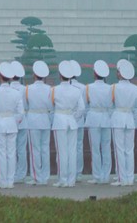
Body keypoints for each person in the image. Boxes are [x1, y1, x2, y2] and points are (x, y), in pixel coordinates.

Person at [110, 59, 137, 187]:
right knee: (129, 150)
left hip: (118, 118)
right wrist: (132, 117)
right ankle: (130, 178)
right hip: (129, 119)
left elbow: (109, 104)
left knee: (119, 150)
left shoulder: (114, 87)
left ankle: (121, 178)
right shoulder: (135, 88)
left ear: (120, 74)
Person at [51, 60, 85, 188]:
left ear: (60, 75)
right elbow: (81, 108)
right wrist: (73, 118)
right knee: (72, 151)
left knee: (62, 152)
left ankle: (63, 179)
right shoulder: (77, 90)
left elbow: (51, 105)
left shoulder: (55, 90)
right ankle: (71, 180)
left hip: (59, 120)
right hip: (71, 121)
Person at [0, 62, 24, 189]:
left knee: (1, 153)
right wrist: (12, 121)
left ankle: (1, 181)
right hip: (11, 123)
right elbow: (20, 113)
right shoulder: (16, 93)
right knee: (11, 153)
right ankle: (10, 181)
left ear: (0, 76)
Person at [25, 60, 53, 185]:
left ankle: (36, 176)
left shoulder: (28, 89)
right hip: (45, 119)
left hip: (33, 119)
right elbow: (51, 106)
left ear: (34, 75)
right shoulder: (50, 89)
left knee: (35, 149)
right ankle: (45, 177)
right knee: (45, 149)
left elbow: (26, 105)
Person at [85, 60, 112, 185]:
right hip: (106, 118)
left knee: (95, 149)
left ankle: (97, 176)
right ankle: (106, 176)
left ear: (95, 73)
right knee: (106, 148)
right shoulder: (110, 88)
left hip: (94, 118)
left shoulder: (88, 87)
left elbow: (84, 105)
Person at [10, 60, 29, 183]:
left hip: (10, 121)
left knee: (11, 149)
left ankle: (11, 173)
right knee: (21, 148)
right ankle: (21, 174)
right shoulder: (25, 89)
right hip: (23, 120)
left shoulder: (8, 89)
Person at [70, 60, 87, 179]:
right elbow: (84, 106)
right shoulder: (83, 87)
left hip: (66, 119)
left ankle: (70, 171)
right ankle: (78, 172)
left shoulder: (62, 87)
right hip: (80, 120)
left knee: (68, 146)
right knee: (79, 146)